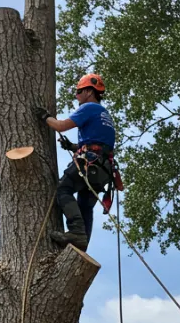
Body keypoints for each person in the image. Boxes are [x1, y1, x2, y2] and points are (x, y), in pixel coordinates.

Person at [34, 73, 119, 251]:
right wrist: (73, 147)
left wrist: (45, 118)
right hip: (102, 170)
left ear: (89, 91)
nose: (77, 95)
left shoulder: (89, 107)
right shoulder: (104, 114)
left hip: (91, 164)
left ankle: (77, 232)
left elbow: (60, 126)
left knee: (63, 190)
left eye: (79, 91)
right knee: (85, 206)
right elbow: (99, 143)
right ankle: (81, 246)